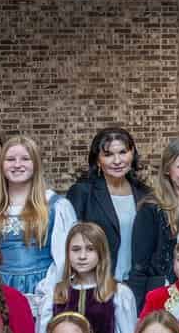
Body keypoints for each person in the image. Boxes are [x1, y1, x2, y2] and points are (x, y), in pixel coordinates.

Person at [0, 135, 75, 319]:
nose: (17, 165)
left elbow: (64, 258)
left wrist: (48, 291)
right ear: (2, 165)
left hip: (43, 287)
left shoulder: (54, 206)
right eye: (10, 159)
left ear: (36, 164)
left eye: (25, 159)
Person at [64, 127, 171, 303]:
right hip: (97, 285)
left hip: (137, 287)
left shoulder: (146, 195)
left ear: (132, 153)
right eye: (108, 155)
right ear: (98, 160)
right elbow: (70, 242)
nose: (117, 161)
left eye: (123, 152)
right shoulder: (82, 193)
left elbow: (155, 248)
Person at [45, 223, 138, 333]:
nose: (82, 256)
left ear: (101, 252)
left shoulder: (118, 293)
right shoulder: (57, 293)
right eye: (76, 249)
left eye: (90, 249)